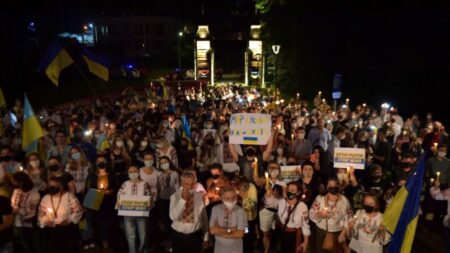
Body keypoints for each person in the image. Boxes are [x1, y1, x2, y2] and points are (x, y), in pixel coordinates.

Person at [38, 176, 83, 253]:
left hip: (67, 230)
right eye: (50, 186)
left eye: (54, 186)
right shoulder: (46, 198)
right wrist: (44, 221)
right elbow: (41, 213)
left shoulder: (69, 196)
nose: (51, 188)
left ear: (61, 187)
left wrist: (69, 220)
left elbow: (78, 211)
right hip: (51, 231)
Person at [309, 177, 353, 253]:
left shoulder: (344, 200)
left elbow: (350, 218)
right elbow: (311, 214)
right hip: (321, 232)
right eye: (330, 185)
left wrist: (343, 233)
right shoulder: (320, 199)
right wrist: (320, 215)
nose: (333, 187)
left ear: (339, 186)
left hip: (337, 232)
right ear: (327, 187)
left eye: (335, 185)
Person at [169, 171, 209, 253]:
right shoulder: (175, 197)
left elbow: (204, 217)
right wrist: (182, 201)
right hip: (179, 236)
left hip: (195, 236)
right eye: (187, 184)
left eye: (192, 184)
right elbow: (173, 217)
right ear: (182, 183)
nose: (190, 187)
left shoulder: (198, 196)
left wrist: (206, 236)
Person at [117, 165, 151, 253]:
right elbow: (119, 196)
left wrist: (149, 202)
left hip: (141, 214)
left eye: (135, 171)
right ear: (128, 174)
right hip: (128, 215)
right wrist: (119, 201)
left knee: (143, 237)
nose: (133, 173)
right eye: (130, 172)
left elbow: (149, 197)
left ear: (139, 172)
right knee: (130, 238)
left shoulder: (144, 184)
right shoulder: (125, 184)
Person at [209, 186, 247, 253]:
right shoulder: (215, 209)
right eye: (227, 198)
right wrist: (232, 230)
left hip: (236, 249)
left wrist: (221, 232)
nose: (231, 201)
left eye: (233, 198)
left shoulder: (241, 211)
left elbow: (241, 233)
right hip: (219, 249)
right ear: (222, 199)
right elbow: (212, 230)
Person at [10, 172, 41, 253]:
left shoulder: (35, 194)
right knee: (23, 244)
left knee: (33, 245)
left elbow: (30, 211)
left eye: (14, 181)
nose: (12, 183)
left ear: (21, 183)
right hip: (18, 223)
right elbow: (13, 204)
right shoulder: (16, 190)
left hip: (30, 224)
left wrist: (17, 210)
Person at [277, 182, 311, 253]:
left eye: (292, 190)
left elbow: (305, 225)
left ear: (298, 193)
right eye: (288, 190)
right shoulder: (281, 202)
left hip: (294, 235)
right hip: (282, 232)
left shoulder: (302, 206)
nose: (289, 192)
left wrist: (306, 241)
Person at [259, 183, 283, 253]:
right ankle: (266, 250)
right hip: (265, 215)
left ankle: (267, 248)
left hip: (274, 217)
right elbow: (262, 202)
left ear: (280, 192)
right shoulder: (268, 194)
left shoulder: (281, 199)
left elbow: (280, 210)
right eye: (274, 190)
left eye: (277, 191)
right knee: (265, 234)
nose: (275, 192)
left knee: (269, 234)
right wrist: (264, 197)